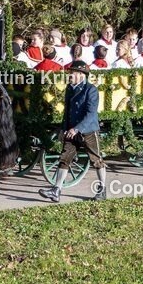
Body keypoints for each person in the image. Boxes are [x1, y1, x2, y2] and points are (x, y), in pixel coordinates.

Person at [39, 60, 107, 202]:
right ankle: (56, 190)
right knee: (64, 159)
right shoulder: (70, 89)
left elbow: (91, 114)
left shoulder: (91, 90)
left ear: (82, 75)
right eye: (70, 72)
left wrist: (77, 129)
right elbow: (67, 112)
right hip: (71, 130)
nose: (70, 75)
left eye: (73, 72)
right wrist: (63, 129)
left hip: (88, 130)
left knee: (96, 160)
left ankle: (102, 189)